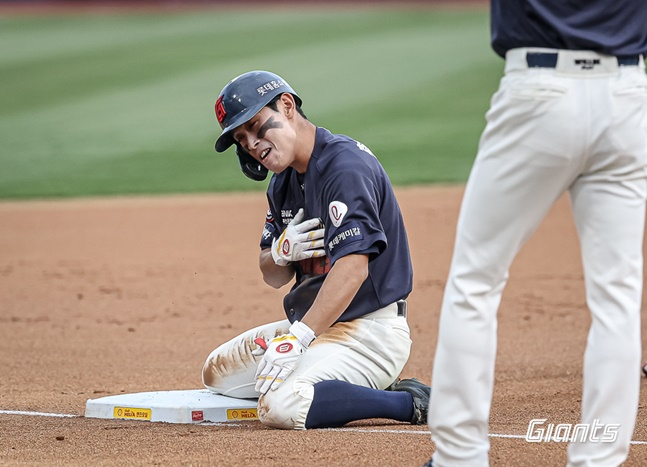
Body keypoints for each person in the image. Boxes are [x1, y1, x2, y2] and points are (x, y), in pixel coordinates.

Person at [426, 1, 647, 466]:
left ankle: (460, 457)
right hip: (628, 93)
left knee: (475, 282)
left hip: (540, 90)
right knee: (618, 299)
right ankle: (600, 459)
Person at [202, 70, 430, 430]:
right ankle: (337, 378)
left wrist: (298, 338)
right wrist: (280, 251)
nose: (252, 144)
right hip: (315, 328)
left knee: (280, 405)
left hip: (369, 332)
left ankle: (408, 401)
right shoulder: (282, 183)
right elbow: (272, 275)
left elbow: (354, 268)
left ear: (287, 105)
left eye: (257, 126)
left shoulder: (344, 167)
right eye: (241, 139)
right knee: (216, 373)